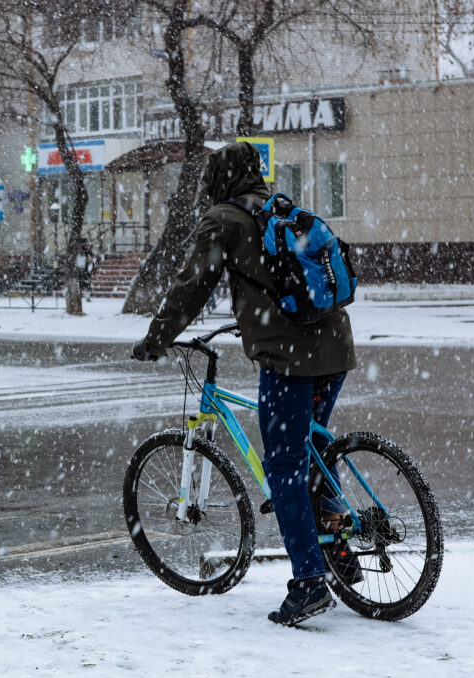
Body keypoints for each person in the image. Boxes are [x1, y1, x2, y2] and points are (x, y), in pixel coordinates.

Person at [131, 141, 356, 626]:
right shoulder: (277, 207)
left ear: (217, 180)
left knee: (284, 465)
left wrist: (157, 337)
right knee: (314, 450)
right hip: (335, 345)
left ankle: (310, 584)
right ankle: (340, 549)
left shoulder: (225, 220)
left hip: (290, 357)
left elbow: (192, 286)